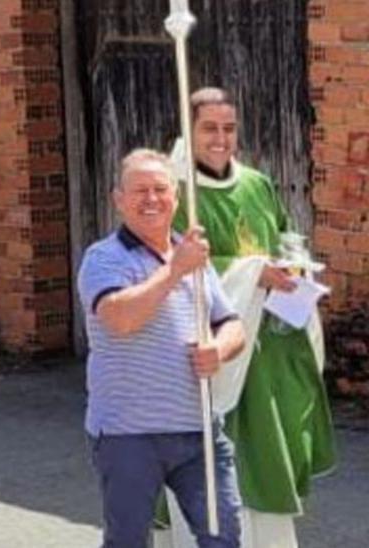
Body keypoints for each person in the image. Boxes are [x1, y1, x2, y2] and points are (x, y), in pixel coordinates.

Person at [163, 87, 336, 546]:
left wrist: (292, 263)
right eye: (209, 129)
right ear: (189, 130)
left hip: (265, 351)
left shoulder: (256, 183)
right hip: (213, 349)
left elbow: (279, 234)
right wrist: (251, 272)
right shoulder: (176, 192)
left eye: (229, 128)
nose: (221, 138)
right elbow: (170, 266)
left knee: (266, 458)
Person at [78, 149, 247, 547]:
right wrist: (175, 270)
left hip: (200, 429)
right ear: (118, 199)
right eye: (139, 190)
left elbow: (232, 324)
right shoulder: (103, 258)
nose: (151, 199)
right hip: (129, 434)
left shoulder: (192, 256)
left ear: (175, 196)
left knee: (223, 536)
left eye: (160, 189)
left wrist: (218, 350)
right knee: (129, 541)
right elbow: (119, 318)